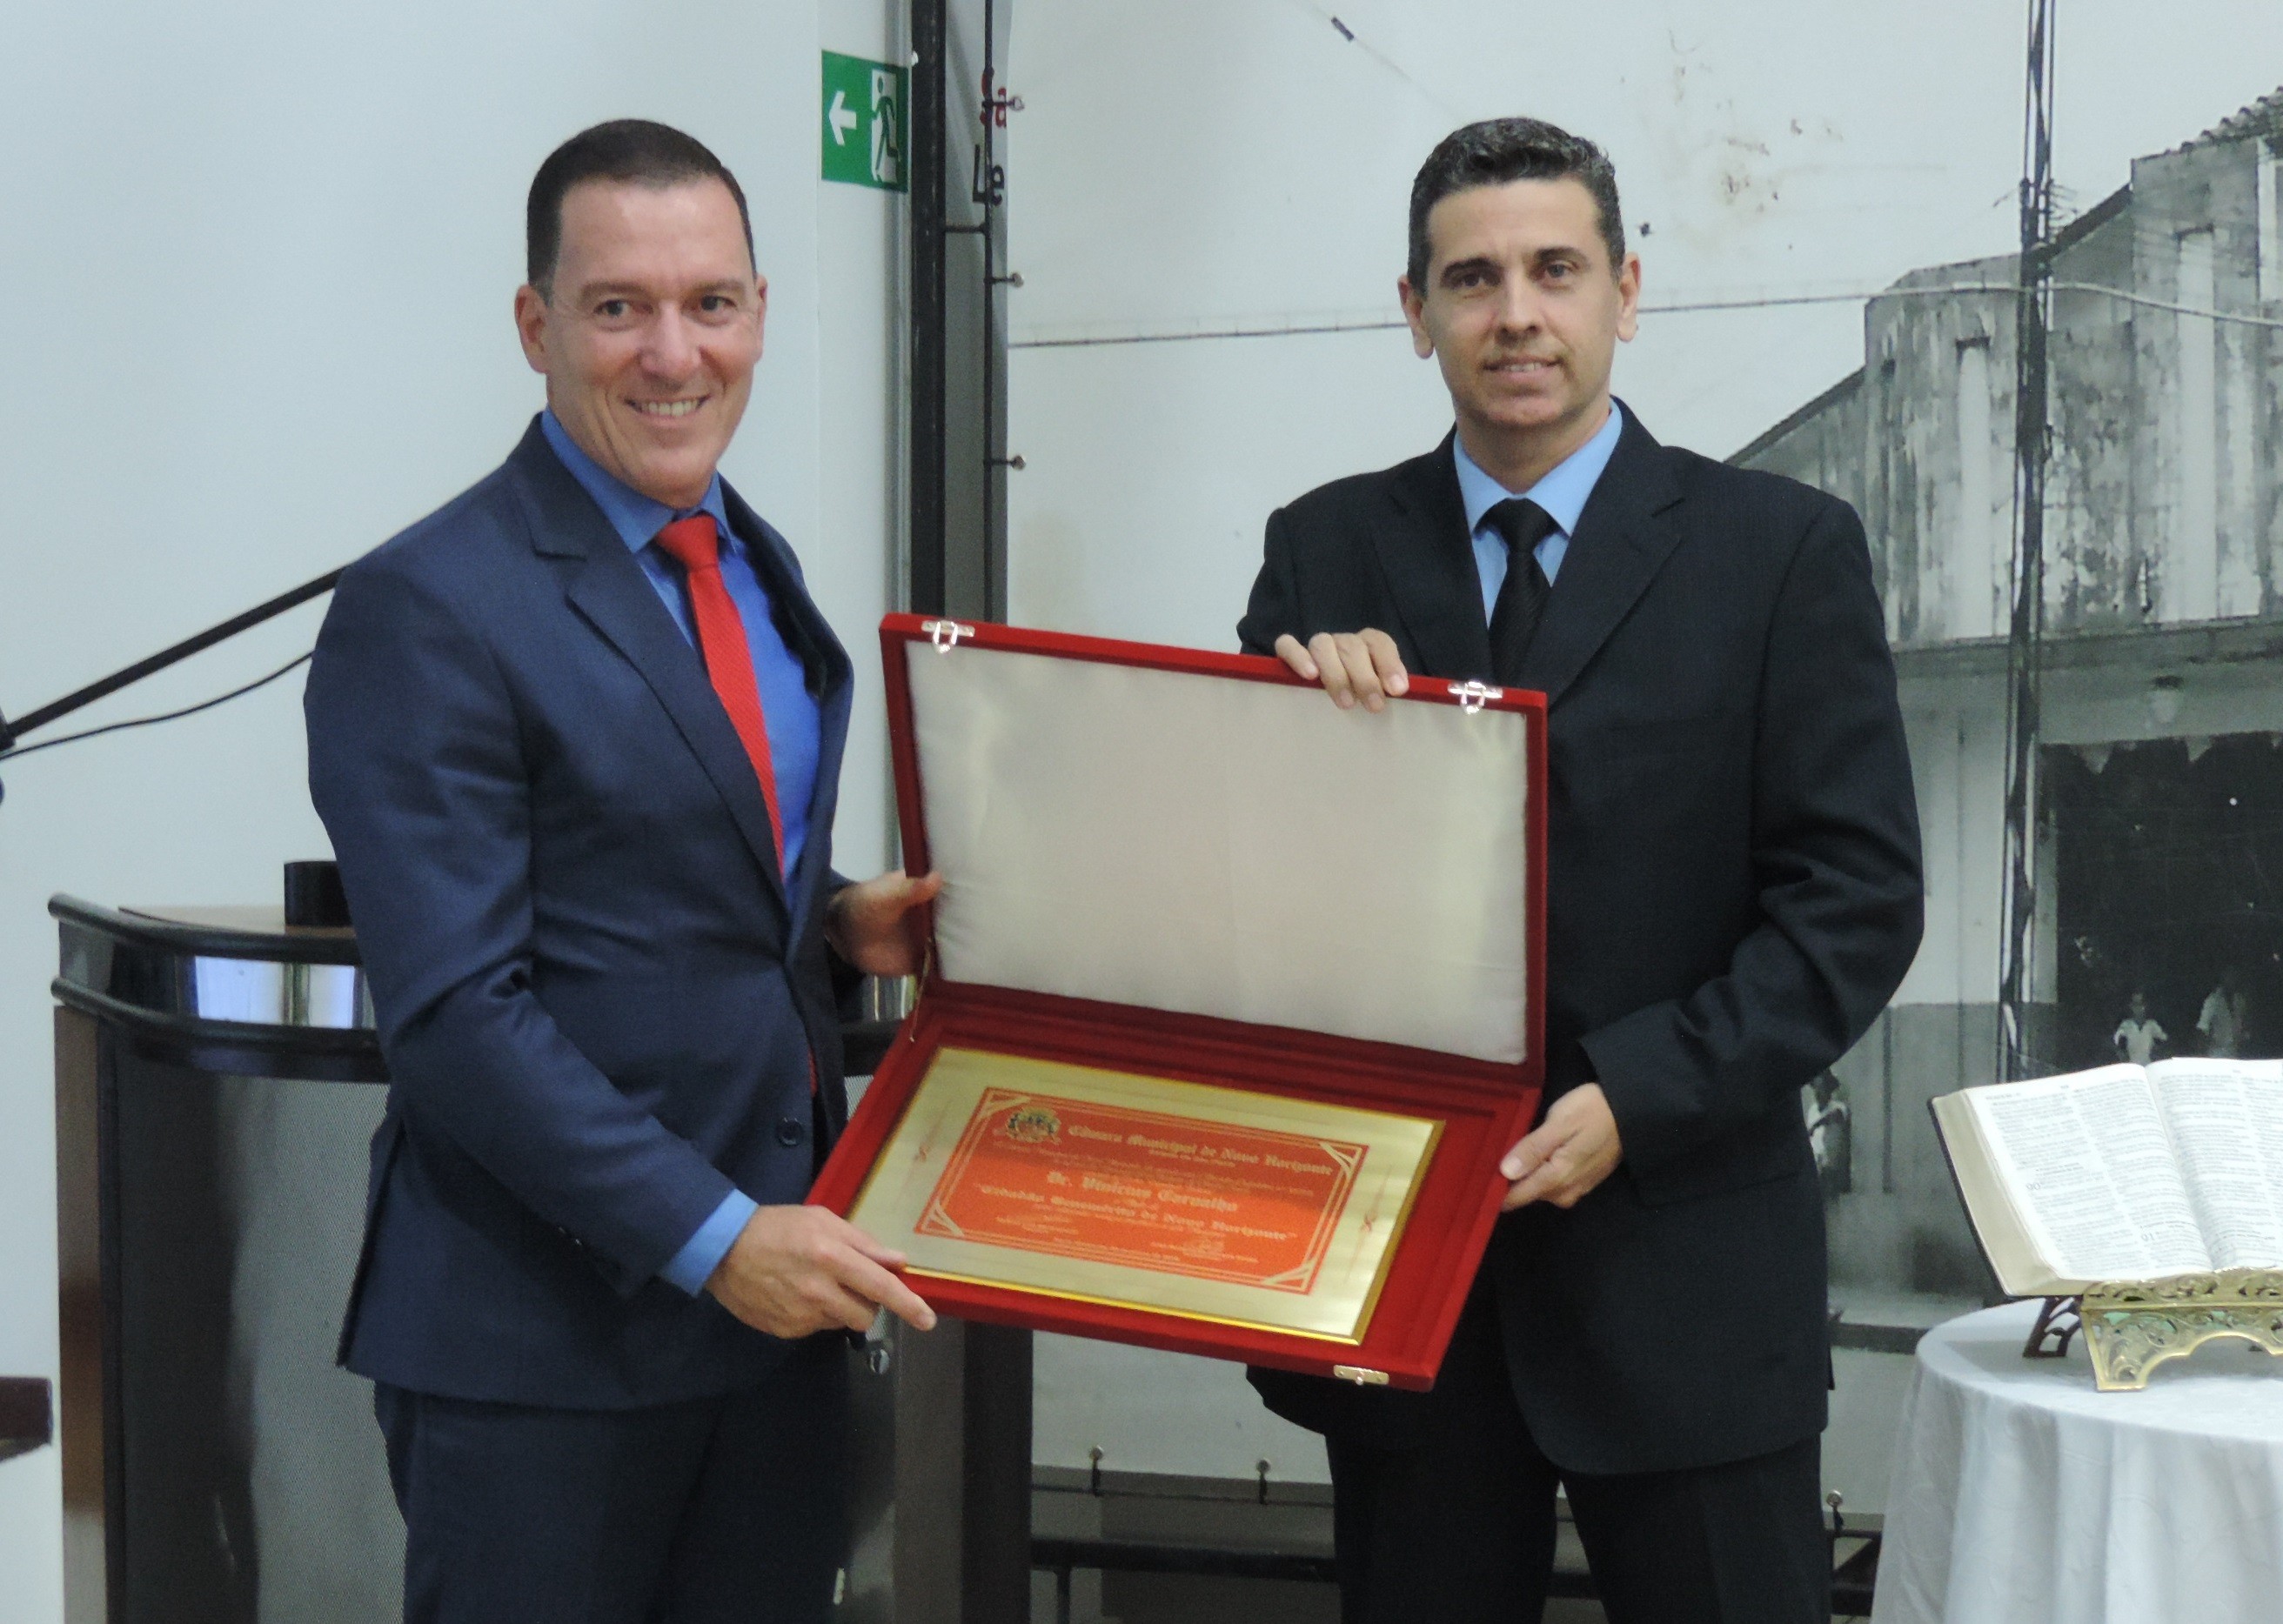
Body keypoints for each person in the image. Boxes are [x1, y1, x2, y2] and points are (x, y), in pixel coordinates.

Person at [1236, 118, 1924, 1623]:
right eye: (1469, 279)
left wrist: (1639, 1094)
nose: (1515, 314)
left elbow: (1854, 901)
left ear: (1626, 290)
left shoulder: (1778, 550)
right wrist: (1291, 732)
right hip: (1408, 1286)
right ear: (1413, 311)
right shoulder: (1322, 551)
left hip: (1689, 1276)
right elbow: (1256, 883)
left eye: (1554, 270)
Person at [305, 120, 939, 1624]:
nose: (673, 353)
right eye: (618, 308)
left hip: (773, 1330)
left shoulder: (752, 562)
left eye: (710, 303)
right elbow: (456, 1015)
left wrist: (830, 919)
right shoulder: (426, 606)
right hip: (543, 1348)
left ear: (760, 314)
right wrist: (715, 1242)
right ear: (536, 326)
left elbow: (673, 858)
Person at [2198, 968, 2247, 1059]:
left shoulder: (2239, 1000)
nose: (2232, 980)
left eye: (2234, 976)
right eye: (2229, 976)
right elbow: (2203, 1028)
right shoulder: (2213, 1000)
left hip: (2235, 1053)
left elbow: (2244, 1024)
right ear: (2222, 978)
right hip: (2216, 1053)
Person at [2114, 990, 2167, 1066]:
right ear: (2131, 1006)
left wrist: (2157, 1052)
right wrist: (2122, 1055)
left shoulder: (2152, 1025)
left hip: (2149, 1066)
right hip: (2132, 1067)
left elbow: (2165, 1040)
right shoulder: (2126, 1025)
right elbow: (2116, 1042)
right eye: (2135, 1005)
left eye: (2140, 1004)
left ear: (2145, 1006)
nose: (2138, 1008)